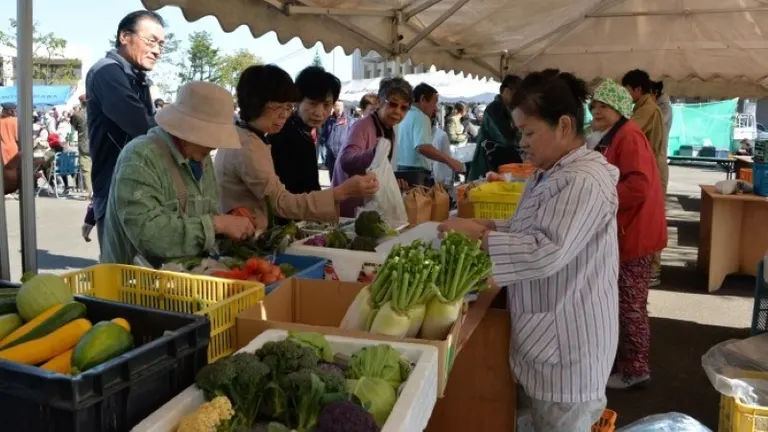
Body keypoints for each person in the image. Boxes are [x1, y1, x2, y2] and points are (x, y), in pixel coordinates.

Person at [437, 69, 618, 431]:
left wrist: (480, 236)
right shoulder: (550, 172)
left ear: (564, 126)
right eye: (521, 131)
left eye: (530, 132)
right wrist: (490, 226)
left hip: (569, 350)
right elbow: (530, 229)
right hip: (550, 337)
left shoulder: (582, 180)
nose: (523, 142)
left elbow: (544, 250)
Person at [101, 81, 254, 265]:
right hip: (132, 286)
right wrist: (218, 224)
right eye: (209, 137)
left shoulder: (201, 158)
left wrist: (231, 224)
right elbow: (149, 234)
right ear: (186, 129)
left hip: (184, 280)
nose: (214, 145)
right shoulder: (140, 156)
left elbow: (207, 215)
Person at [215, 64, 379, 230]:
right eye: (276, 107)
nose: (284, 114)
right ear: (255, 103)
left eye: (287, 107)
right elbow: (281, 202)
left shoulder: (249, 136)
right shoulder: (253, 144)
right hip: (253, 236)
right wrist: (343, 191)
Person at [589, 78, 668, 390]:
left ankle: (636, 369)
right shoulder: (615, 133)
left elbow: (638, 185)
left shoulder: (629, 135)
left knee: (630, 303)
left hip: (634, 233)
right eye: (594, 104)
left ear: (619, 108)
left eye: (603, 106)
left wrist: (600, 198)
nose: (596, 110)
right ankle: (627, 362)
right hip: (628, 229)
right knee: (626, 301)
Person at [86, 10, 165, 250]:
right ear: (124, 36)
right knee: (120, 277)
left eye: (161, 44)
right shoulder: (107, 71)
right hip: (115, 193)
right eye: (151, 41)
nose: (157, 50)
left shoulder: (137, 77)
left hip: (135, 190)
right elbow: (142, 127)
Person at [332, 77, 413, 217]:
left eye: (404, 108)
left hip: (370, 209)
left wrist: (392, 182)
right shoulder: (362, 126)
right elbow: (346, 161)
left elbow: (380, 169)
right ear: (380, 102)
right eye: (393, 104)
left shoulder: (389, 129)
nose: (398, 112)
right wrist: (374, 153)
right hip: (350, 211)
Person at [622, 69, 668, 287]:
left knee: (649, 221)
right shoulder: (643, 107)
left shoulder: (647, 109)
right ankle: (647, 269)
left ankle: (652, 271)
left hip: (651, 171)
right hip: (649, 168)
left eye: (626, 90)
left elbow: (627, 130)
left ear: (637, 89)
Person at [270, 66, 341, 199]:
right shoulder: (286, 136)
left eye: (326, 105)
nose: (319, 113)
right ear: (297, 101)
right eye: (313, 104)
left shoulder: (302, 132)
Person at [396, 83, 463, 186]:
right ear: (422, 99)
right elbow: (423, 147)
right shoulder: (421, 117)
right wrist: (449, 161)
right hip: (416, 174)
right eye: (434, 102)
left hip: (400, 171)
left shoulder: (404, 115)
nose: (435, 108)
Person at [468, 75, 523, 181]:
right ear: (504, 90)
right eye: (514, 91)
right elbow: (505, 139)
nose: (517, 95)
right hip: (488, 162)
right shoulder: (494, 109)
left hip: (503, 162)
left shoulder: (510, 110)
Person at [319, 100, 348, 181]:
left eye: (340, 106)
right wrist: (326, 144)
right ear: (333, 107)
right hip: (331, 155)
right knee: (332, 177)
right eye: (337, 106)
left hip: (343, 154)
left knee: (343, 177)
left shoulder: (349, 120)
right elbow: (324, 135)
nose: (339, 108)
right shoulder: (329, 120)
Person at [70, 94, 92, 196]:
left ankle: (89, 192)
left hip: (84, 144)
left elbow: (74, 127)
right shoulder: (97, 112)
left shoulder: (77, 115)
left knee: (86, 169)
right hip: (97, 143)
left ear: (81, 102)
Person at [0, 103, 19, 168]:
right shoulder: (15, 121)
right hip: (12, 149)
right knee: (12, 171)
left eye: (3, 109)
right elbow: (17, 138)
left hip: (2, 149)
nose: (2, 111)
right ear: (11, 111)